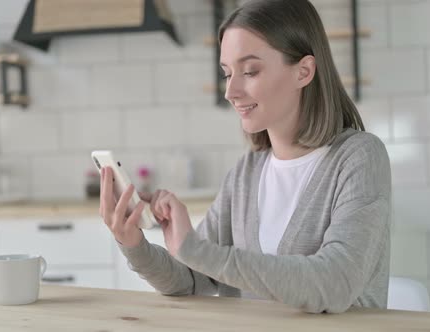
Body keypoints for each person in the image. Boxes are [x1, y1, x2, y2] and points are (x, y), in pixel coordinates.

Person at [99, 0, 391, 314]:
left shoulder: (359, 158)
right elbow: (191, 278)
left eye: (250, 71)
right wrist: (133, 243)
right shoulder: (247, 173)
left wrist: (198, 250)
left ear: (304, 72)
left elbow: (335, 286)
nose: (231, 91)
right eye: (227, 74)